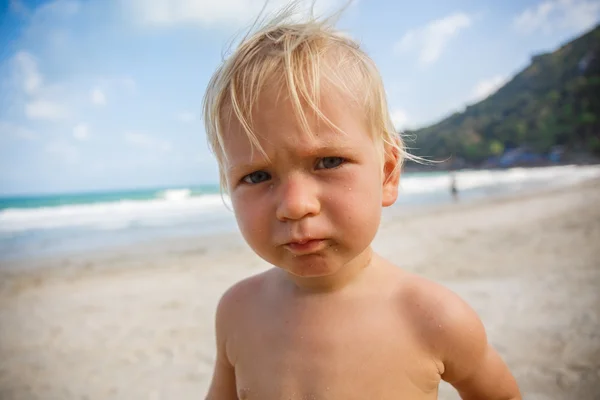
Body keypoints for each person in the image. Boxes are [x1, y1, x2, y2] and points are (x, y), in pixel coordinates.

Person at [202, 4, 521, 399]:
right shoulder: (236, 313)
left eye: (328, 162)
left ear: (387, 173)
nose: (295, 205)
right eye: (257, 176)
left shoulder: (432, 316)